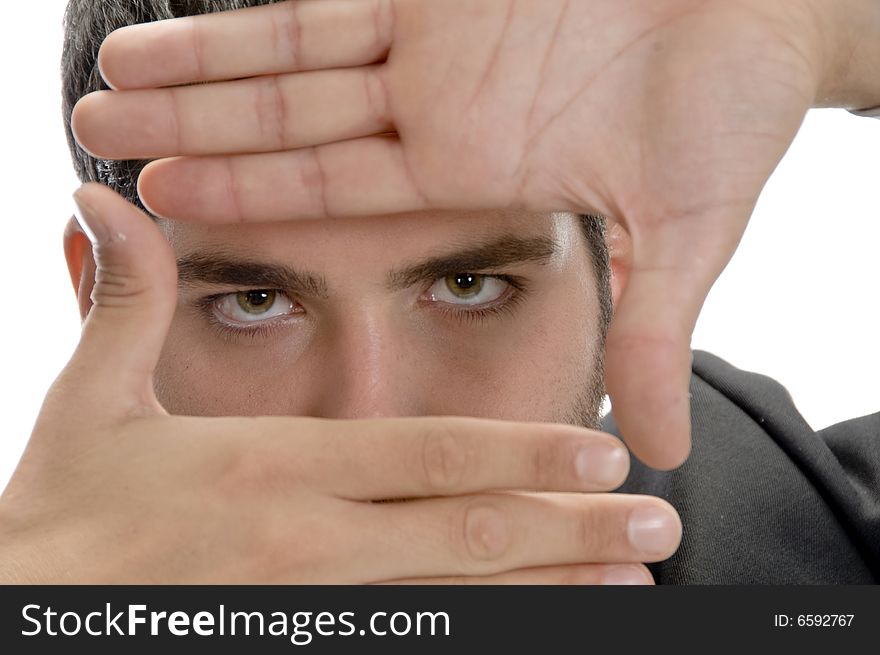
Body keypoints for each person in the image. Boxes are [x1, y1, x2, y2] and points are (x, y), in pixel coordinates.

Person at [0, 0, 876, 583]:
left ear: (618, 266)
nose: (373, 424)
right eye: (254, 303)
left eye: (468, 284)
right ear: (100, 305)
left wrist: (826, 27)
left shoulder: (829, 548)